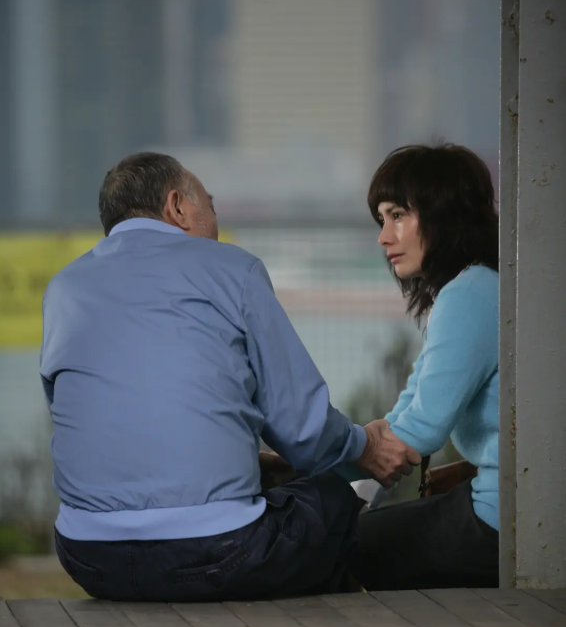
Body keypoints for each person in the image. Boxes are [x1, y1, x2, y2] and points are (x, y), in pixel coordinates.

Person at [41, 151, 420, 602]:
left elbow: (92, 423)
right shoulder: (232, 270)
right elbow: (304, 429)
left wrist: (241, 458)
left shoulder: (64, 288)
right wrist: (367, 446)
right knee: (331, 501)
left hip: (88, 557)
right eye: (211, 204)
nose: (215, 220)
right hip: (216, 553)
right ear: (177, 206)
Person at [350, 143, 499, 590]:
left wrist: (330, 470)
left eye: (397, 215)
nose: (384, 237)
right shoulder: (473, 286)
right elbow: (410, 406)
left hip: (497, 519)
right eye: (381, 219)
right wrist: (358, 462)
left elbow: (422, 429)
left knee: (338, 546)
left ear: (444, 213)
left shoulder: (469, 294)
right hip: (499, 505)